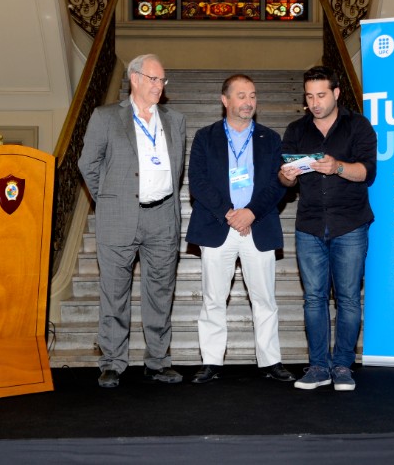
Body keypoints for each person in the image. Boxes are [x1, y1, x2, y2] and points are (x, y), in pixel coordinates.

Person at [78, 53, 186, 387]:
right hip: (119, 216)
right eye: (154, 79)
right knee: (114, 291)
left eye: (162, 80)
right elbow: (88, 164)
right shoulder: (106, 117)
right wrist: (109, 200)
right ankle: (112, 362)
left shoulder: (175, 120)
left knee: (160, 291)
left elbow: (177, 168)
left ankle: (158, 361)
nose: (159, 85)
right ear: (134, 79)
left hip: (163, 216)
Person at [186, 74, 295, 384]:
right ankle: (211, 362)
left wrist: (250, 213)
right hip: (217, 226)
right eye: (242, 95)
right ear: (225, 100)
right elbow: (198, 182)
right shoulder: (205, 137)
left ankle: (270, 361)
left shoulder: (270, 138)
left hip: (257, 226)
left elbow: (278, 183)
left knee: (265, 300)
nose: (249, 102)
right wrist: (229, 213)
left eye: (253, 96)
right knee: (213, 299)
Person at [279, 66, 376, 391]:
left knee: (348, 298)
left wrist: (338, 167)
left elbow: (367, 172)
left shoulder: (358, 126)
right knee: (313, 299)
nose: (315, 103)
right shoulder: (296, 129)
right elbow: (284, 178)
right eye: (309, 96)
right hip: (309, 225)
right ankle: (318, 366)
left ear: (336, 93)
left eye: (321, 95)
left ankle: (343, 366)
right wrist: (285, 176)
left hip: (350, 224)